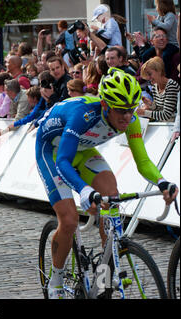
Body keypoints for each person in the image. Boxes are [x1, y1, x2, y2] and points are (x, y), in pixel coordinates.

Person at [34, 69, 178, 299]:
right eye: (120, 110)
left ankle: (104, 275)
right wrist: (84, 190)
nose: (126, 117)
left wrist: (162, 182)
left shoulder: (130, 119)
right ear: (105, 105)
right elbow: (62, 160)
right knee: (69, 220)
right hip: (51, 151)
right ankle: (57, 280)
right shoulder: (83, 115)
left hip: (81, 150)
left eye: (131, 110)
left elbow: (143, 161)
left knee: (111, 196)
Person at [138, 56, 179, 122]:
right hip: (162, 125)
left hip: (173, 126)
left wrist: (143, 112)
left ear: (159, 71)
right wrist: (151, 105)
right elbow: (158, 110)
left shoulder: (171, 85)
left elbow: (166, 115)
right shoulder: (154, 86)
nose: (148, 77)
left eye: (149, 74)